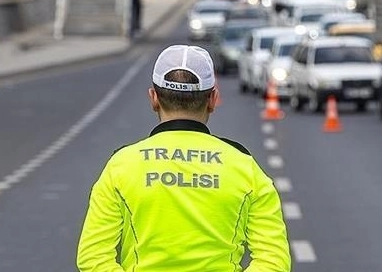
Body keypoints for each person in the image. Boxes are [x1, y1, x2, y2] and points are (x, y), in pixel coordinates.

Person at [76, 45, 291, 271]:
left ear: (154, 98)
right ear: (213, 99)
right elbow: (274, 261)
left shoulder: (121, 165)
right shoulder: (245, 167)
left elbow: (93, 257)